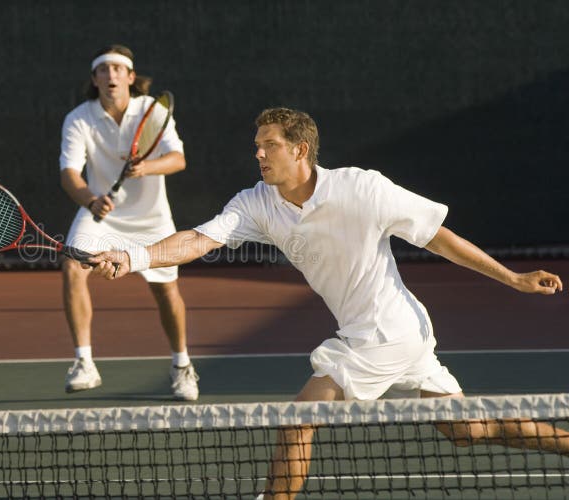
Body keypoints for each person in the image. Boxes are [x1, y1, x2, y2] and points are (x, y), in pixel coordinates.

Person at [88, 107, 567, 498]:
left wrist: (513, 278)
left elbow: (439, 239)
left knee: (299, 420)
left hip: (385, 334)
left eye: (269, 144)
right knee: (467, 430)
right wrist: (132, 257)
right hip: (398, 332)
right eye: (257, 144)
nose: (258, 152)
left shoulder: (362, 188)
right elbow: (199, 240)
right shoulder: (258, 203)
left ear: (300, 149)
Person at [58, 44, 199, 401]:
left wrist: (147, 166)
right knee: (73, 265)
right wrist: (91, 199)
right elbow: (69, 174)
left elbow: (178, 159)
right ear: (95, 79)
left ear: (131, 78)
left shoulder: (152, 111)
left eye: (118, 69)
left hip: (152, 218)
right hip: (101, 215)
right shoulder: (78, 118)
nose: (111, 75)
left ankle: (182, 365)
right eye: (103, 69)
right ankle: (84, 363)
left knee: (166, 290)